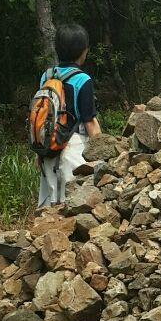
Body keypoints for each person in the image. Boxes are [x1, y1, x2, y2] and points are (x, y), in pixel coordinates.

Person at [36, 23, 102, 209]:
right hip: (74, 148)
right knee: (74, 206)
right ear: (84, 51)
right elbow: (89, 122)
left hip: (49, 148)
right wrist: (103, 153)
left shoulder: (47, 76)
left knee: (50, 208)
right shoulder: (83, 80)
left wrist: (39, 151)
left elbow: (41, 116)